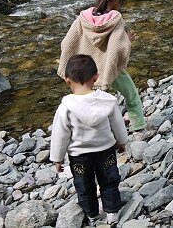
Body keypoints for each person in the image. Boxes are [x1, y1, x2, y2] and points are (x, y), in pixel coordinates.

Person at [58, 0, 146, 132]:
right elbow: (118, 48)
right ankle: (138, 127)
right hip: (108, 68)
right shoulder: (115, 19)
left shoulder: (83, 18)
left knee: (89, 100)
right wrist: (128, 40)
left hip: (87, 70)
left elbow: (67, 42)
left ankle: (89, 129)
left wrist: (70, 64)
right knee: (131, 94)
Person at [50, 54, 127, 227]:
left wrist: (58, 158)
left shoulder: (66, 108)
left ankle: (92, 214)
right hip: (105, 151)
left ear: (67, 81)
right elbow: (118, 125)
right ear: (96, 77)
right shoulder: (107, 101)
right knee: (109, 181)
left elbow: (60, 135)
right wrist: (122, 142)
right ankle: (112, 212)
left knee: (84, 186)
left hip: (79, 156)